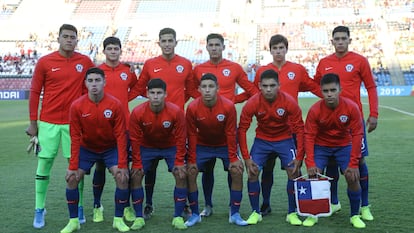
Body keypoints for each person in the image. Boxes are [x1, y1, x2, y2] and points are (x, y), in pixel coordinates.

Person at [238, 34, 322, 216]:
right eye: (275, 48)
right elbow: (253, 92)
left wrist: (336, 99)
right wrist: (232, 100)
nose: (278, 51)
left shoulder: (297, 69)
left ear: (286, 49)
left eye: (281, 48)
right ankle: (265, 204)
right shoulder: (262, 71)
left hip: (290, 131)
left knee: (294, 170)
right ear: (270, 50)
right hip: (266, 132)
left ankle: (295, 209)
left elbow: (312, 86)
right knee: (265, 169)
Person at [26, 24, 94, 229]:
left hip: (74, 125)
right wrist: (33, 123)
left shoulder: (85, 61)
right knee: (44, 164)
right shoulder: (45, 62)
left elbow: (88, 91)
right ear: (58, 39)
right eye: (65, 37)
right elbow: (35, 92)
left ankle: (80, 207)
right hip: (48, 123)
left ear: (77, 40)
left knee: (76, 167)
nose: (69, 40)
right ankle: (39, 209)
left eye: (73, 37)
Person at [128, 28, 197, 219]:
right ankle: (148, 204)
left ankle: (183, 207)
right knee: (147, 170)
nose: (167, 44)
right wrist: (121, 99)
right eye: (163, 41)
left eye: (170, 40)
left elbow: (191, 89)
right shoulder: (150, 64)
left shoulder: (185, 63)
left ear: (176, 42)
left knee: (180, 169)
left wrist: (179, 104)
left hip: (175, 126)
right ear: (159, 43)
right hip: (151, 126)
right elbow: (141, 87)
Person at [313, 25, 378, 222]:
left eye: (343, 38)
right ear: (331, 41)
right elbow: (317, 85)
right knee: (331, 162)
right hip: (330, 122)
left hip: (353, 121)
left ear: (350, 40)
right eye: (337, 39)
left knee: (358, 162)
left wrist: (373, 113)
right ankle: (334, 202)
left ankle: (364, 205)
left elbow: (371, 86)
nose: (340, 42)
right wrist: (326, 103)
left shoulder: (360, 61)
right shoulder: (324, 63)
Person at [192, 33, 258, 217]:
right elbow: (191, 89)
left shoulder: (234, 67)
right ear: (206, 47)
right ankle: (208, 205)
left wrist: (232, 100)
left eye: (217, 45)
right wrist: (205, 103)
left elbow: (252, 90)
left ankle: (232, 206)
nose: (214, 48)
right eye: (211, 45)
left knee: (233, 167)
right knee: (207, 169)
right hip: (204, 129)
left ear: (223, 47)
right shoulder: (198, 69)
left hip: (227, 127)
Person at [60, 67, 130, 233]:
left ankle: (118, 220)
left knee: (122, 177)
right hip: (88, 148)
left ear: (104, 82)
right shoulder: (77, 106)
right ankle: (73, 221)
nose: (94, 84)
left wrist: (122, 164)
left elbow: (121, 136)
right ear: (85, 83)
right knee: (72, 179)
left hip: (110, 148)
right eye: (90, 81)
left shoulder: (115, 104)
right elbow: (75, 137)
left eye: (97, 80)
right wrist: (72, 166)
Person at [238, 69, 305, 225]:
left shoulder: (289, 101)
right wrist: (247, 159)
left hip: (285, 139)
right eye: (265, 86)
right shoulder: (253, 102)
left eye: (272, 85)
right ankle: (256, 212)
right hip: (262, 140)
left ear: (279, 85)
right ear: (260, 85)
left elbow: (300, 129)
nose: (268, 89)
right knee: (253, 171)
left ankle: (292, 213)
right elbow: (241, 129)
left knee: (293, 170)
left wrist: (300, 156)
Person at [304, 73, 366, 228]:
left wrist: (353, 163)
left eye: (333, 90)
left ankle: (354, 215)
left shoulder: (351, 107)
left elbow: (358, 134)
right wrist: (310, 162)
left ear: (340, 89)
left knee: (352, 177)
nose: (329, 94)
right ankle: (313, 214)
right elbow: (309, 136)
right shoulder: (315, 110)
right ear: (321, 91)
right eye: (325, 91)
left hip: (344, 145)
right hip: (321, 146)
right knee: (314, 175)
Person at [186, 73, 248, 227]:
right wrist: (192, 159)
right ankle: (198, 212)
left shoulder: (228, 106)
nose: (207, 90)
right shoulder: (192, 107)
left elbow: (231, 133)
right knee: (191, 171)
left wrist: (233, 158)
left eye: (211, 86)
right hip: (203, 145)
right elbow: (191, 134)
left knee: (236, 171)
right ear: (199, 89)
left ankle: (234, 212)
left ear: (218, 88)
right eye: (204, 87)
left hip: (225, 145)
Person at [129, 78, 189, 230]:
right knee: (135, 174)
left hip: (170, 146)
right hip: (147, 147)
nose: (155, 96)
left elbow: (181, 138)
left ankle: (177, 216)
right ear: (147, 94)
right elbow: (134, 140)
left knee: (181, 174)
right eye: (152, 93)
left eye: (159, 93)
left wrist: (180, 161)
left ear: (165, 94)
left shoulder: (176, 111)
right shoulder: (137, 112)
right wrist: (136, 163)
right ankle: (139, 216)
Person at [92, 36, 139, 223]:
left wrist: (125, 100)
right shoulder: (97, 72)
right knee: (100, 165)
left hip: (123, 126)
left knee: (123, 167)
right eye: (109, 48)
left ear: (120, 51)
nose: (113, 51)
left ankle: (126, 206)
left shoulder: (127, 71)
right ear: (104, 51)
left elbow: (136, 87)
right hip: (100, 126)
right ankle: (97, 205)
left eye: (116, 49)